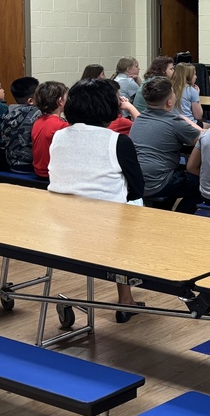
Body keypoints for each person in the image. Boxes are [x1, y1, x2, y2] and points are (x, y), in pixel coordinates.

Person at [46, 77, 144, 321]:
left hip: (62, 226)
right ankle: (126, 297)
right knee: (132, 208)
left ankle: (126, 297)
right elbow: (138, 188)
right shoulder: (118, 142)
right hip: (109, 230)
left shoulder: (58, 137)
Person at [128, 77, 200, 213]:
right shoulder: (174, 122)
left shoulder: (140, 119)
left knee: (177, 178)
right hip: (160, 182)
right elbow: (203, 140)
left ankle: (162, 214)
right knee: (201, 186)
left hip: (136, 182)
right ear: (169, 102)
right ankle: (178, 219)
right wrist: (189, 123)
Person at [0, 76, 41, 174]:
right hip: (31, 167)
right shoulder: (38, 113)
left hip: (12, 165)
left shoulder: (7, 112)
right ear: (31, 101)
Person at [31, 81, 69, 179]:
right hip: (50, 174)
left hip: (38, 171)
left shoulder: (38, 121)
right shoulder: (61, 125)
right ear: (60, 101)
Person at [171, 62, 204, 127]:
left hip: (171, 123)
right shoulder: (191, 90)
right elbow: (198, 116)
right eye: (194, 74)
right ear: (188, 76)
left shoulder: (168, 88)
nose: (196, 77)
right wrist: (197, 95)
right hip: (188, 124)